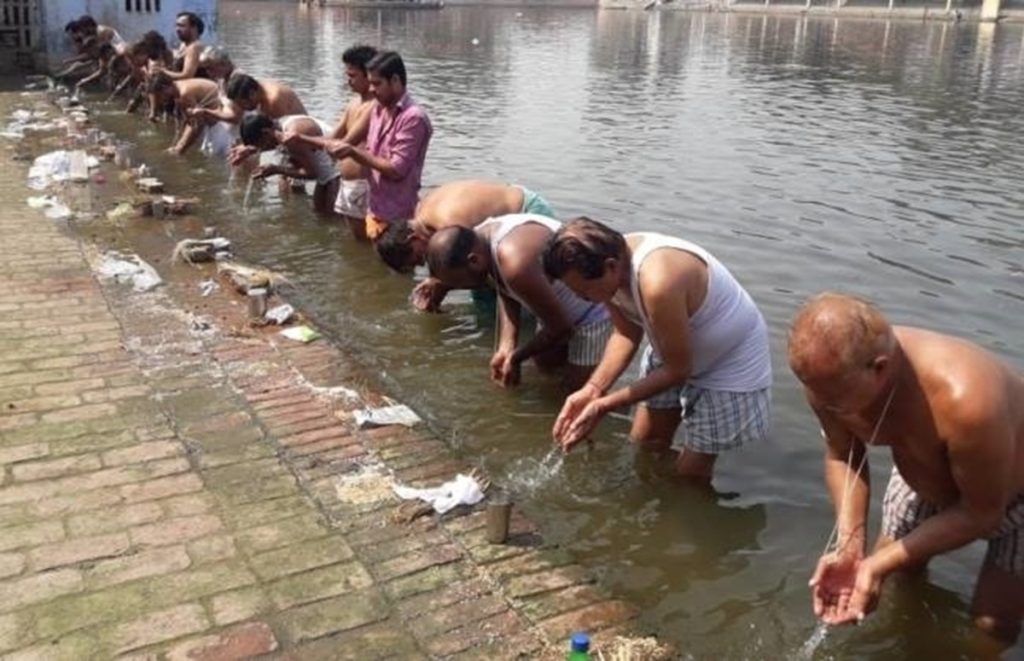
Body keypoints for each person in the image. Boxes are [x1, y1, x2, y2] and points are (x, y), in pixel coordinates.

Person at [788, 293, 1024, 643]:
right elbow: (842, 454)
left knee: (992, 625)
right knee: (894, 578)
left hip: (1011, 498)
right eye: (815, 392)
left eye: (834, 399)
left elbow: (982, 513)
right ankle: (906, 642)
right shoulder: (825, 380)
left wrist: (877, 564)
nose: (822, 405)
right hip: (921, 472)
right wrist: (851, 547)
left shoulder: (966, 401)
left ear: (880, 368)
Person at [543, 217, 772, 481]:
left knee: (689, 476)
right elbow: (626, 333)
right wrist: (593, 390)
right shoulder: (608, 271)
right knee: (644, 445)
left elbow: (678, 370)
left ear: (611, 266)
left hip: (730, 364)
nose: (583, 299)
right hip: (669, 346)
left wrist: (604, 405)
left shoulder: (657, 281)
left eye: (585, 292)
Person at [426, 215, 611, 389]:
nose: (464, 288)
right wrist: (507, 345)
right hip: (554, 308)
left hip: (593, 310)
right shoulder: (479, 239)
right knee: (547, 373)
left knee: (579, 390)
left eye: (460, 283)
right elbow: (505, 288)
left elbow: (561, 329)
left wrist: (516, 358)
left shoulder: (515, 263)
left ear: (474, 261)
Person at [375, 180, 555, 311]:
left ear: (414, 239)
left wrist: (441, 285)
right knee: (484, 299)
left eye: (417, 259)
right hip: (497, 223)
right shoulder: (423, 213)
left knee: (526, 293)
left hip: (527, 212)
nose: (423, 264)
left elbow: (481, 268)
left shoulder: (449, 222)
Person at [321, 51, 431, 241]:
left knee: (397, 267)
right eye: (371, 83)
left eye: (377, 83)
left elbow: (396, 169)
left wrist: (354, 153)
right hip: (376, 208)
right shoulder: (378, 110)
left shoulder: (413, 118)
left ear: (395, 80)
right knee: (370, 263)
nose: (371, 89)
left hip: (398, 214)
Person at [282, 45, 377, 239]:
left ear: (369, 75)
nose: (348, 81)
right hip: (348, 181)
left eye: (352, 76)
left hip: (364, 182)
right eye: (347, 75)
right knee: (351, 240)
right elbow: (333, 138)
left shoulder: (373, 106)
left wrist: (302, 138)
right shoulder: (353, 103)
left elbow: (345, 144)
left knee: (366, 239)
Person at [239, 113, 340, 215]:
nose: (262, 149)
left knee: (331, 217)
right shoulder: (279, 127)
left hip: (338, 167)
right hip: (326, 170)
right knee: (321, 216)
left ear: (266, 132)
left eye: (261, 145)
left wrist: (276, 169)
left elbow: (312, 173)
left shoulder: (291, 136)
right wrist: (251, 150)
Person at [224, 74, 308, 164]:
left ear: (252, 94)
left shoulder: (273, 102)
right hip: (291, 139)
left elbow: (282, 140)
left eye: (242, 104)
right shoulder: (259, 89)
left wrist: (251, 149)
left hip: (302, 144)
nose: (243, 109)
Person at [147, 73, 231, 156]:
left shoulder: (185, 94)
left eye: (160, 95)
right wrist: (178, 145)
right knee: (205, 152)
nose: (161, 99)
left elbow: (197, 125)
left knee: (214, 157)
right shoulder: (178, 87)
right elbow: (189, 121)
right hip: (219, 115)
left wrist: (180, 149)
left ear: (165, 88)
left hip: (222, 122)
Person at [153, 11, 205, 80]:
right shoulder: (184, 45)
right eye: (176, 26)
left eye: (182, 26)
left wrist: (162, 72)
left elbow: (187, 75)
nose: (177, 29)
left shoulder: (194, 47)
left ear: (193, 28)